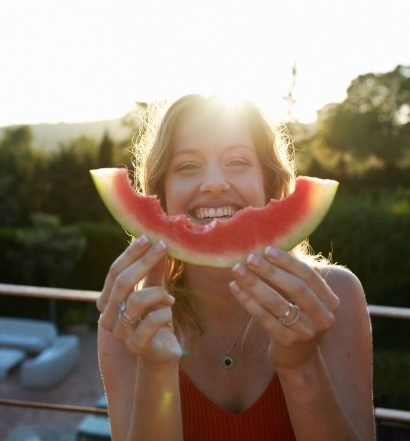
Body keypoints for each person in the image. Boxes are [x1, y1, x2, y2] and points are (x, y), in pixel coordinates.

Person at [97, 94, 375, 441]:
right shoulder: (127, 321)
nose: (214, 182)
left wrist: (301, 366)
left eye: (237, 161)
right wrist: (156, 369)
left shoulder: (336, 296)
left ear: (269, 185)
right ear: (162, 194)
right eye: (187, 166)